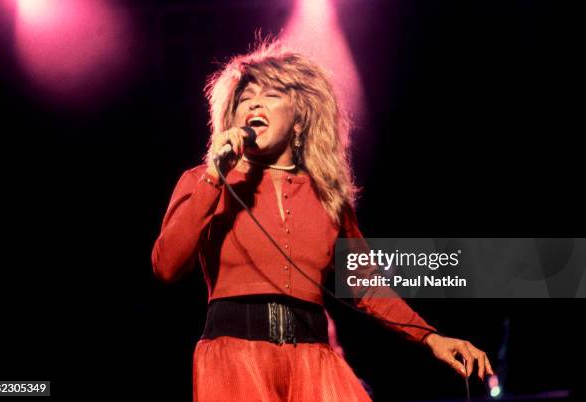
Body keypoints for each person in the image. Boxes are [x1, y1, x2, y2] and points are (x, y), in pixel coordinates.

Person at [151, 39, 493, 402]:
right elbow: (166, 265)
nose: (253, 103)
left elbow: (366, 286)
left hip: (314, 362)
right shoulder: (203, 181)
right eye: (243, 98)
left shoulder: (327, 196)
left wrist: (430, 337)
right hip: (235, 359)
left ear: (300, 120)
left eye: (270, 95)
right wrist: (214, 177)